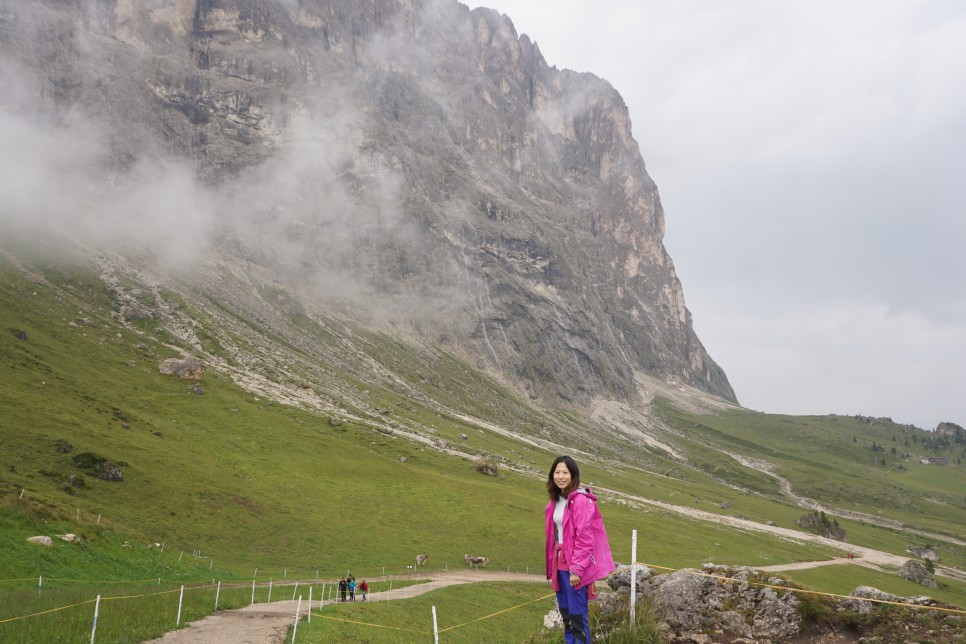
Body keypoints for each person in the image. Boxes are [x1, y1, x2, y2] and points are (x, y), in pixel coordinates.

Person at [544, 455, 615, 644]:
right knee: (567, 616)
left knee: (577, 617)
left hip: (574, 567)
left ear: (573, 475)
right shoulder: (555, 501)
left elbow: (585, 538)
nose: (560, 476)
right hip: (559, 565)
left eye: (565, 473)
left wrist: (577, 569)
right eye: (557, 472)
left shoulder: (581, 501)